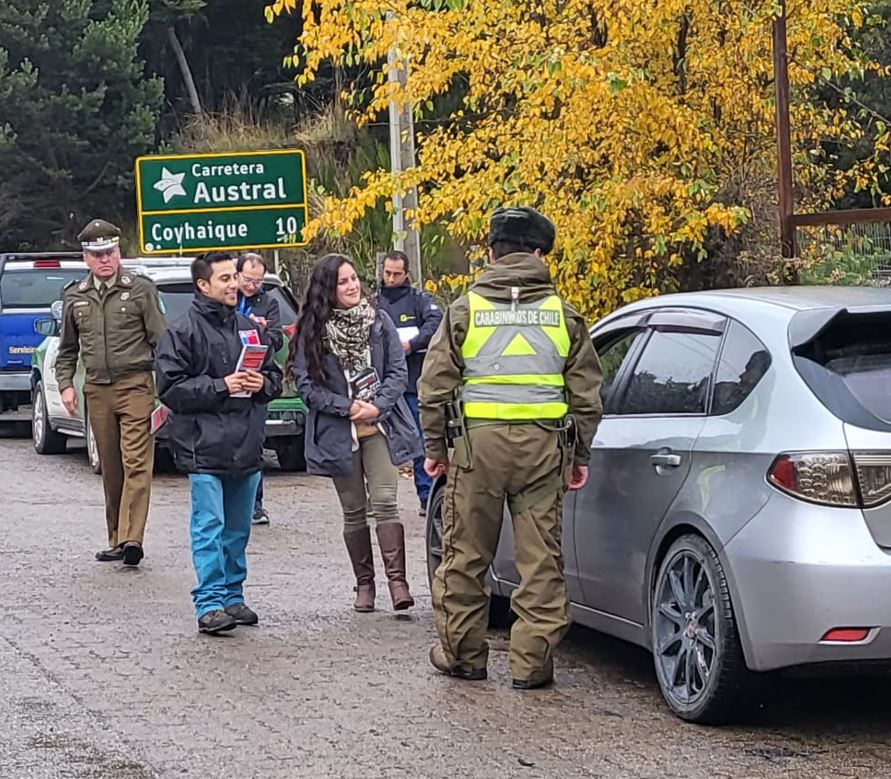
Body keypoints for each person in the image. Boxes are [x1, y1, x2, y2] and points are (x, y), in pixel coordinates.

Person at [419, 207, 603, 689]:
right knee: (540, 562)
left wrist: (435, 447)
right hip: (544, 449)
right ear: (540, 254)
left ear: (490, 253)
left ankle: (464, 657)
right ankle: (531, 667)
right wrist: (580, 455)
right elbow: (586, 395)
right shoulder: (564, 315)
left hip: (476, 450)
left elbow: (434, 385)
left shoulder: (465, 309)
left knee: (465, 555)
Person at [155, 252, 282, 635]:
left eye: (234, 277)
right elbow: (170, 389)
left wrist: (264, 384)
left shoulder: (251, 328)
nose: (232, 284)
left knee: (239, 528)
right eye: (224, 278)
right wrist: (221, 385)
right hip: (203, 447)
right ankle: (208, 602)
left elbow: (275, 377)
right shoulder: (182, 331)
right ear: (203, 285)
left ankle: (232, 595)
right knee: (209, 525)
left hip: (246, 445)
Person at [291, 254, 423, 613]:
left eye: (353, 279)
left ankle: (399, 583)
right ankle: (365, 585)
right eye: (342, 282)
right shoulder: (312, 332)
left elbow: (398, 371)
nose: (352, 287)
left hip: (379, 425)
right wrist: (346, 407)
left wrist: (377, 405)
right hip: (338, 431)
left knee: (385, 500)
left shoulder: (379, 322)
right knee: (354, 509)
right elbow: (306, 386)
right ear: (327, 291)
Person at [55, 219, 166, 567]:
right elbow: (68, 349)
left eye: (111, 252)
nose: (105, 260)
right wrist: (65, 385)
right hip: (97, 390)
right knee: (111, 465)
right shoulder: (76, 295)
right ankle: (117, 537)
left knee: (136, 462)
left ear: (119, 253)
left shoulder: (140, 290)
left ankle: (133, 538)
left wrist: (167, 388)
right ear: (86, 258)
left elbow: (161, 341)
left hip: (135, 385)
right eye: (98, 254)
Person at [377, 250, 443, 516]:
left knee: (418, 441)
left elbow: (436, 322)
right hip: (381, 386)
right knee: (376, 442)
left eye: (397, 274)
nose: (391, 278)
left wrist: (411, 345)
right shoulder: (373, 303)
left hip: (413, 384)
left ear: (406, 274)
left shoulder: (419, 301)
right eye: (387, 273)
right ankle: (377, 497)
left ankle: (426, 496)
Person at [236, 252, 284, 527]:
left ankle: (255, 504)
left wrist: (262, 330)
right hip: (228, 376)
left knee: (255, 442)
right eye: (247, 279)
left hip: (255, 377)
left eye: (257, 280)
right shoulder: (228, 297)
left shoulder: (269, 302)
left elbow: (276, 340)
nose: (252, 285)